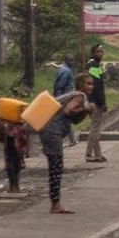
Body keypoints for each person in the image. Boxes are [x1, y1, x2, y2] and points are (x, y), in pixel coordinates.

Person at [39, 74, 96, 213]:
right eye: (88, 84)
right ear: (80, 85)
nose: (91, 87)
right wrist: (86, 108)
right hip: (53, 131)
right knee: (56, 168)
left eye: (92, 84)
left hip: (49, 131)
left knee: (56, 167)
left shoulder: (75, 95)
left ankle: (55, 203)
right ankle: (55, 204)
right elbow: (68, 111)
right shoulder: (79, 96)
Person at [85, 44, 108, 163]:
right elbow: (97, 86)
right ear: (93, 53)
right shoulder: (93, 65)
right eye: (98, 52)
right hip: (95, 102)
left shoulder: (93, 64)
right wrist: (102, 102)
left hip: (92, 101)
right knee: (95, 129)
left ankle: (98, 154)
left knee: (96, 128)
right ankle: (89, 154)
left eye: (101, 52)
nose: (101, 54)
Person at [53, 55, 78, 147]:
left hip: (60, 97)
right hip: (65, 97)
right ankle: (65, 140)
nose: (72, 62)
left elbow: (56, 84)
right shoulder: (67, 71)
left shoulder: (61, 69)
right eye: (71, 60)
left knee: (66, 118)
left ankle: (72, 140)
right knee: (64, 119)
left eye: (73, 60)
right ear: (66, 61)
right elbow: (61, 85)